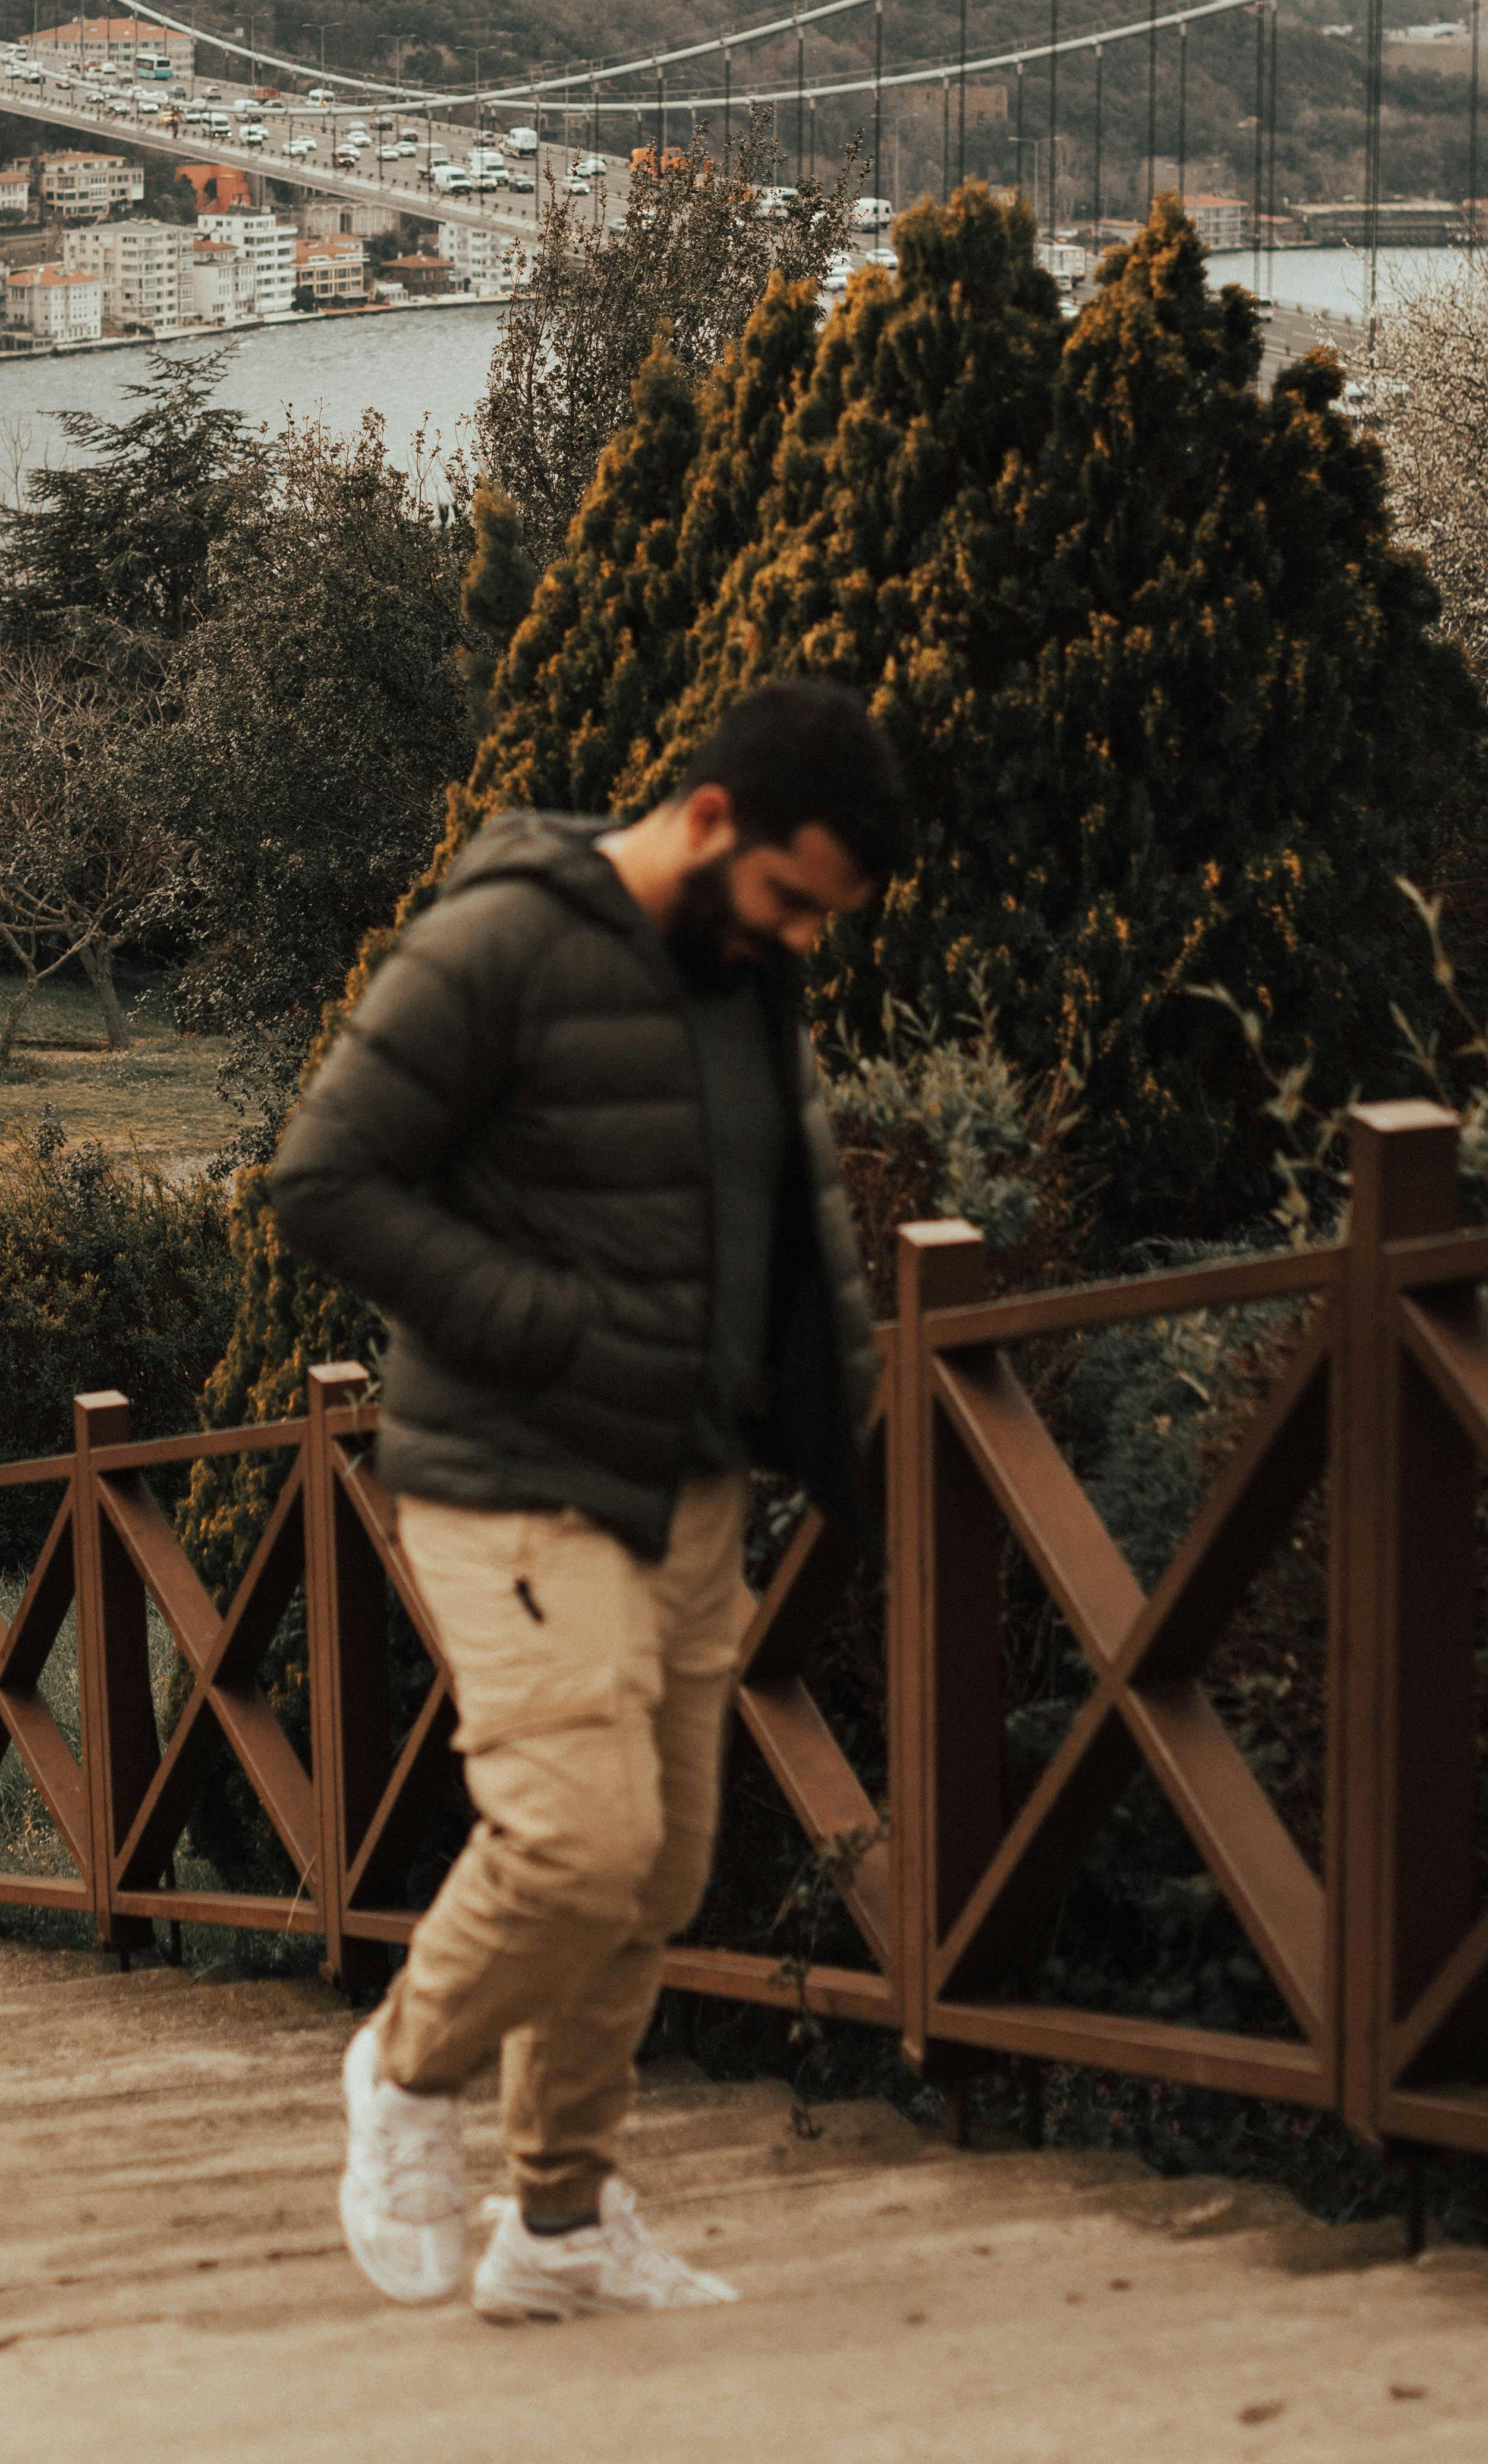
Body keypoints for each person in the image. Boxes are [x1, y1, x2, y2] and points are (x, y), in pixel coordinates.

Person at [268, 677, 903, 2324]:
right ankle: (406, 2076)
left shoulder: (736, 965)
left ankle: (556, 2221)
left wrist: (839, 1403)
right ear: (707, 823)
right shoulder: (504, 942)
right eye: (789, 899)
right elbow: (323, 1177)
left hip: (687, 1486)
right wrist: (541, 1327)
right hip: (520, 1474)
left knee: (664, 1868)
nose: (800, 941)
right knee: (578, 1841)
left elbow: (785, 1202)